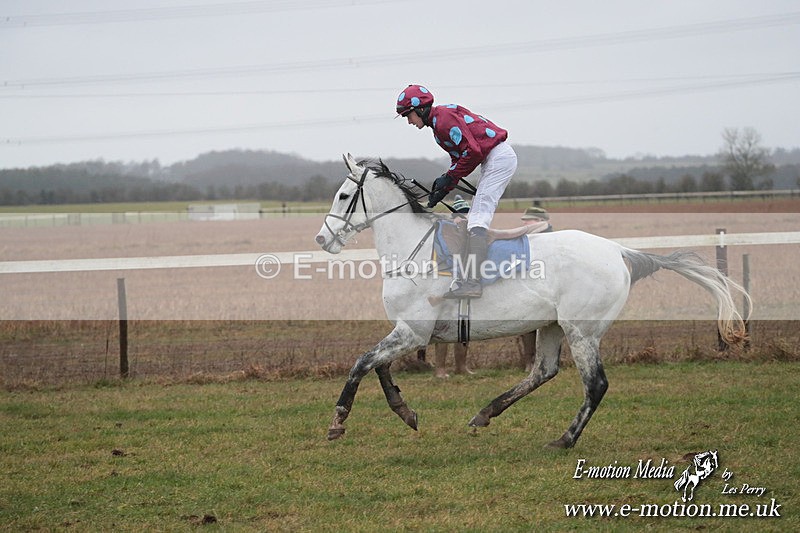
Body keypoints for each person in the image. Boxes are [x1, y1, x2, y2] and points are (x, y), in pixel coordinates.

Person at [396, 84, 517, 299]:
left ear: (421, 109)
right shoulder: (438, 129)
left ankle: (472, 282)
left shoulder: (443, 120)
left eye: (409, 115)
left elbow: (473, 152)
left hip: (497, 158)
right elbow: (459, 161)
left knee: (477, 221)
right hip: (492, 160)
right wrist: (442, 190)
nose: (409, 121)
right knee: (474, 220)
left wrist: (449, 178)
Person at [517, 205, 553, 372]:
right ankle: (529, 361)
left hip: (550, 290)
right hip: (530, 289)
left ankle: (545, 360)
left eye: (528, 220)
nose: (524, 223)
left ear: (540, 221)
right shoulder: (525, 239)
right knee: (528, 326)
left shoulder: (552, 239)